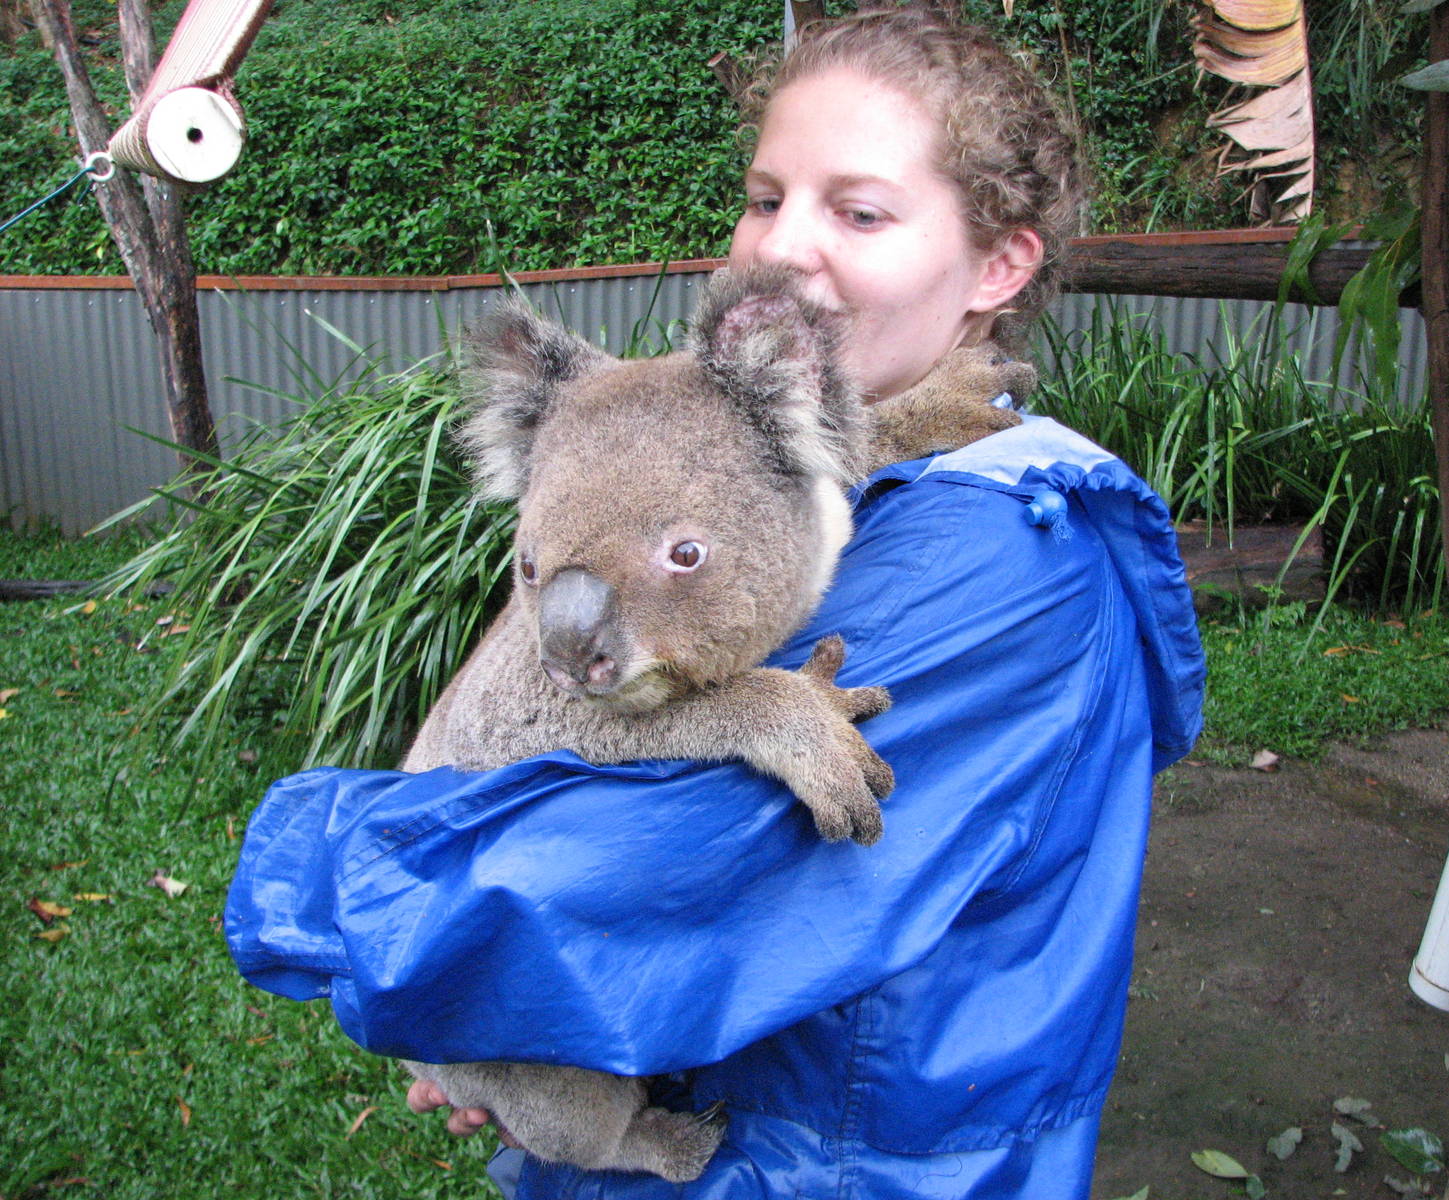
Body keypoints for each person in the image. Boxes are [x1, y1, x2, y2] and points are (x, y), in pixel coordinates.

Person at [223, 8, 1205, 1198]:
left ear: (1000, 264)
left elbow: (592, 890)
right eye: (763, 197)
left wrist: (372, 929)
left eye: (859, 211)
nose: (782, 250)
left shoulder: (993, 560)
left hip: (821, 1158)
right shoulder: (808, 448)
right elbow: (782, 497)